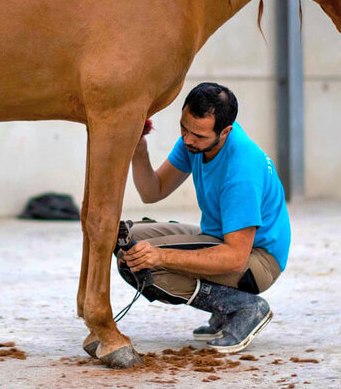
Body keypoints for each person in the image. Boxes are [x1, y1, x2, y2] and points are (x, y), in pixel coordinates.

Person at [118, 82, 290, 353]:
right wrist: (138, 148)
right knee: (126, 241)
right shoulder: (196, 139)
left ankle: (244, 307)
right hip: (220, 240)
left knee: (141, 264)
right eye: (183, 128)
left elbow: (235, 257)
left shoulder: (241, 171)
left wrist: (161, 256)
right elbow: (153, 191)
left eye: (197, 135)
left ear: (225, 132)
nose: (187, 140)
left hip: (257, 261)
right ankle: (228, 307)